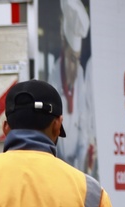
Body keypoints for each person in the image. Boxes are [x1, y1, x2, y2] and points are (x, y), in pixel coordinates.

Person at [44, 0, 98, 176]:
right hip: (58, 166)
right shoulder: (53, 77)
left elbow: (83, 119)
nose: (75, 66)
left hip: (76, 167)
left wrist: (80, 164)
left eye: (78, 58)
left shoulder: (80, 74)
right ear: (64, 50)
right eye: (72, 59)